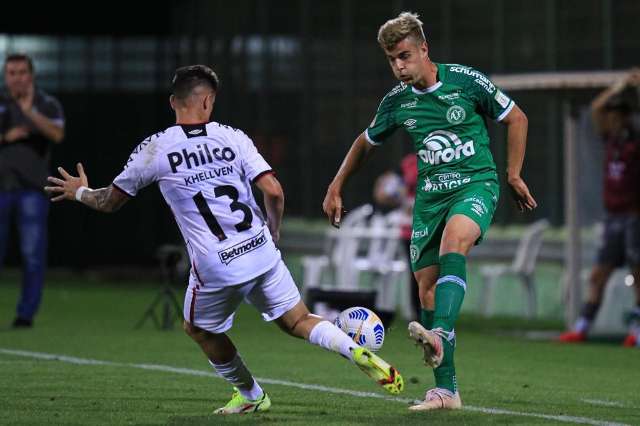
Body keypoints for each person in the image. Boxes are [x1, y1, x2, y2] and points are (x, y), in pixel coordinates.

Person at [44, 65, 403, 414]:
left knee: (197, 328)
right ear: (208, 101)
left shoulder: (156, 148)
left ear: (173, 102)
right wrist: (273, 231)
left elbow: (109, 201)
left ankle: (250, 393)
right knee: (297, 320)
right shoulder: (233, 136)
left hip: (217, 264)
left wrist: (79, 193)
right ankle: (352, 348)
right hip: (261, 248)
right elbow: (273, 191)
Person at [322, 12, 536, 411]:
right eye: (391, 59)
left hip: (475, 185)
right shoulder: (397, 102)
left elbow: (517, 117)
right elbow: (365, 142)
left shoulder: (466, 82)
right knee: (426, 288)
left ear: (424, 49)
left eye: (405, 55)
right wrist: (336, 185)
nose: (399, 66)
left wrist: (513, 173)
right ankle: (446, 391)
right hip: (429, 199)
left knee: (456, 241)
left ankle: (439, 333)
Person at [559, 70, 640, 347]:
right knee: (598, 275)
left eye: (617, 114)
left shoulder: (635, 141)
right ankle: (581, 327)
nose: (611, 117)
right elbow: (596, 107)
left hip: (634, 217)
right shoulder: (611, 141)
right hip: (613, 217)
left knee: (637, 273)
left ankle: (636, 332)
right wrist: (620, 85)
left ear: (627, 116)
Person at [0, 53, 65, 328]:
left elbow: (57, 134)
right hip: (1, 188)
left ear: (32, 75)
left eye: (22, 72)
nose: (17, 77)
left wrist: (29, 113)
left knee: (32, 256)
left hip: (33, 191)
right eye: (11, 72)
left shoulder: (46, 103)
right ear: (5, 76)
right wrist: (6, 136)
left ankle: (25, 316)